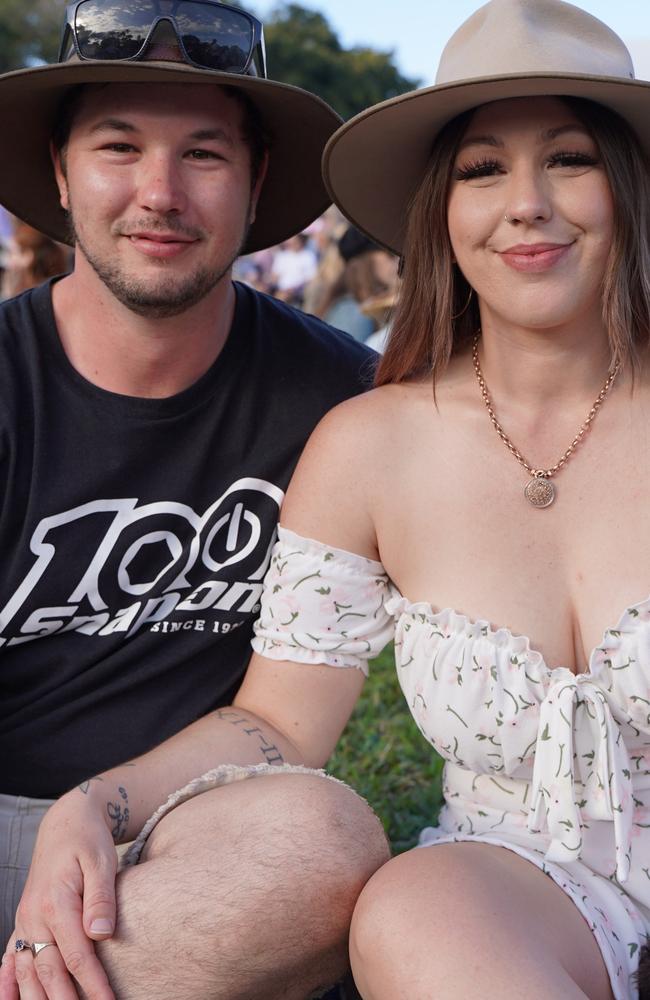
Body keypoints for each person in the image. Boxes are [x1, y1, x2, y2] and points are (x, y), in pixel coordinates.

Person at [247, 0, 650, 996]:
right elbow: (280, 725)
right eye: (480, 169)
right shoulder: (367, 445)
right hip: (524, 891)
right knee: (413, 907)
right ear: (441, 211)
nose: (525, 203)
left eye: (568, 159)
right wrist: (106, 800)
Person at [0, 3, 387, 999]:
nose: (158, 193)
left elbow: (283, 722)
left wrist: (96, 806)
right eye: (118, 147)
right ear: (59, 169)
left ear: (258, 182)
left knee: (322, 838)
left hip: (178, 831)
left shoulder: (339, 397)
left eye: (204, 155)